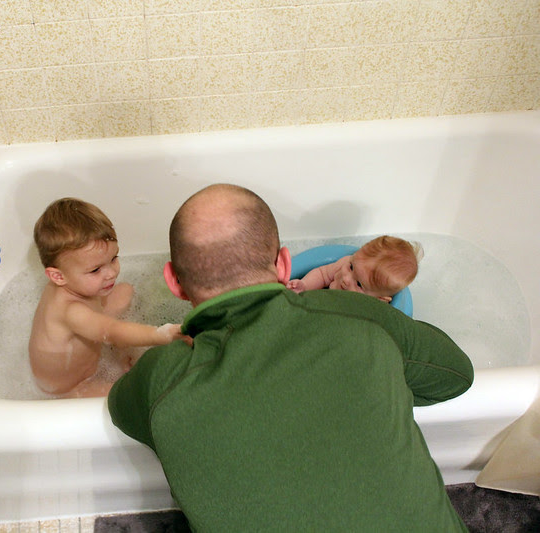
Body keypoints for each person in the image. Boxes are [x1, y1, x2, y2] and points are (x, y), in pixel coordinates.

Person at [108, 184, 473, 531]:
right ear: (284, 265)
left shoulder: (161, 377)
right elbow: (456, 376)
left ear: (173, 282)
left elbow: (122, 410)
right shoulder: (361, 319)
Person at [29, 198, 187, 398]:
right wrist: (164, 334)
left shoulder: (71, 283)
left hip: (93, 333)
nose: (111, 273)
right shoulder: (70, 311)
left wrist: (120, 347)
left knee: (125, 291)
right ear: (58, 276)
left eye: (113, 258)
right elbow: (111, 330)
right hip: (73, 386)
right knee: (134, 394)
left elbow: (107, 328)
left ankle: (119, 344)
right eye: (96, 270)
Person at [287, 235, 423, 302]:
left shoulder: (370, 308)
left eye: (358, 284)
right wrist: (304, 285)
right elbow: (322, 274)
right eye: (351, 267)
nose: (346, 278)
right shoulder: (345, 263)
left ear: (379, 299)